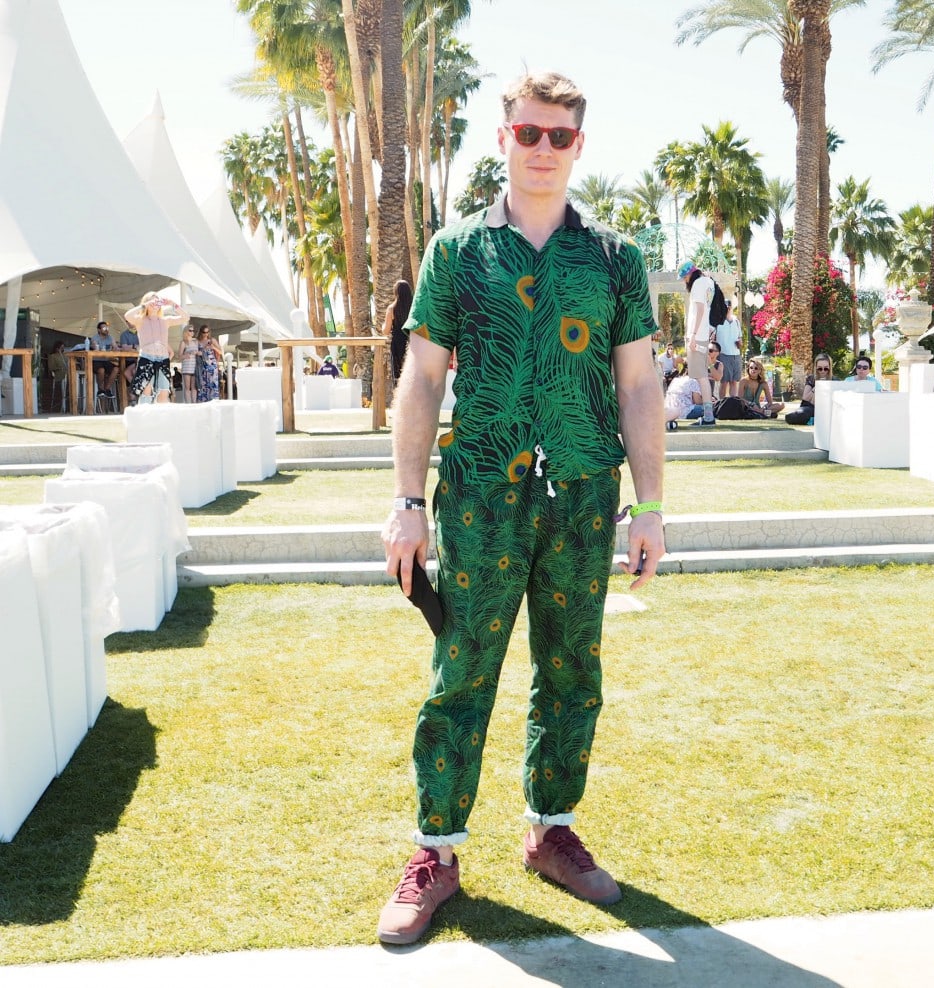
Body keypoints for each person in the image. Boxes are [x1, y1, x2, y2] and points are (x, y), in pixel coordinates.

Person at [378, 70, 665, 947]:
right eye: (528, 133)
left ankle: (551, 831)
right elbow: (422, 379)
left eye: (560, 136)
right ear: (502, 138)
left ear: (580, 145)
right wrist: (406, 501)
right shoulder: (457, 253)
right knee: (462, 672)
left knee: (573, 670)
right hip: (479, 497)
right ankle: (436, 853)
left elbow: (641, 384)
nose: (543, 149)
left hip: (583, 494)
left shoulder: (616, 260)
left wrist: (651, 503)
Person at [124, 292, 187, 404]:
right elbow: (127, 316)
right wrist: (145, 305)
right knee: (146, 390)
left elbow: (185, 317)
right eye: (153, 300)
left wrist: (172, 304)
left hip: (163, 358)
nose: (155, 303)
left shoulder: (165, 320)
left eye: (157, 300)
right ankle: (144, 418)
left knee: (164, 391)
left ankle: (161, 419)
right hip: (147, 358)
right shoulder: (140, 319)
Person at [677, 261, 715, 425]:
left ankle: (708, 416)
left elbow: (699, 310)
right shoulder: (709, 282)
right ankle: (708, 415)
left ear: (690, 274)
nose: (685, 280)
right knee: (701, 376)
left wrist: (692, 335)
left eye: (685, 277)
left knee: (701, 377)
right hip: (702, 333)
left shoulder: (698, 284)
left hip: (697, 334)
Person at [785, 352, 832, 425]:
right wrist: (817, 387)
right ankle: (815, 420)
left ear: (830, 367)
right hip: (810, 407)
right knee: (793, 416)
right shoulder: (811, 379)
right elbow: (805, 398)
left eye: (825, 369)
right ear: (816, 368)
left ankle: (815, 420)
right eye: (820, 369)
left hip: (827, 409)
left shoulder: (834, 380)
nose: (823, 371)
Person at [383, 279, 414, 383]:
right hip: (413, 344)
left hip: (397, 345)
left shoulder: (392, 309)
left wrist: (383, 325)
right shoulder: (414, 308)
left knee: (398, 377)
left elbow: (386, 331)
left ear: (396, 292)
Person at [713, 300, 742, 397]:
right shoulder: (717, 322)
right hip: (723, 355)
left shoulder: (736, 321)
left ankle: (733, 403)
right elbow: (713, 339)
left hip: (736, 355)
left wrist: (740, 342)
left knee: (734, 382)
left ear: (731, 308)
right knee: (724, 382)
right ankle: (721, 404)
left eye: (728, 307)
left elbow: (740, 337)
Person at [664, 358, 704, 428]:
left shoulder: (676, 380)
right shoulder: (692, 381)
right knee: (707, 409)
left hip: (670, 411)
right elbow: (698, 402)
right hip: (685, 411)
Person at [90, 321, 119, 398]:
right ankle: (100, 390)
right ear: (99, 330)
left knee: (116, 369)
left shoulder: (110, 337)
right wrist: (96, 347)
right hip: (96, 360)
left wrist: (116, 348)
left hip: (106, 360)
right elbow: (95, 346)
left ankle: (107, 389)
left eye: (107, 327)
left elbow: (115, 347)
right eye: (104, 328)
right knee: (101, 370)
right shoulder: (95, 338)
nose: (106, 329)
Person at [195, 324, 222, 402]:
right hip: (201, 365)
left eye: (207, 332)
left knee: (213, 383)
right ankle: (203, 401)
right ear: (201, 332)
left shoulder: (212, 340)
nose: (206, 334)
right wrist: (201, 350)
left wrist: (213, 347)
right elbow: (194, 351)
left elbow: (220, 352)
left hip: (212, 364)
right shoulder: (197, 341)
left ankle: (213, 400)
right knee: (203, 383)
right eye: (204, 332)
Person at [178, 325, 199, 403]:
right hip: (187, 367)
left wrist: (198, 353)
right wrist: (187, 355)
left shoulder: (195, 342)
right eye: (190, 330)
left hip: (194, 367)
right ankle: (188, 404)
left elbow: (199, 352)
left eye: (193, 330)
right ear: (186, 331)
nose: (192, 332)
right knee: (187, 387)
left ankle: (194, 403)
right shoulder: (183, 342)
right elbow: (179, 356)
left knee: (194, 387)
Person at [47, 341, 69, 412]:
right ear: (57, 348)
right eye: (61, 348)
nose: (62, 350)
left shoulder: (65, 356)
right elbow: (51, 367)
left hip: (67, 375)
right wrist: (60, 368)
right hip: (59, 375)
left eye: (63, 348)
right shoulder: (52, 356)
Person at [119, 321, 139, 389]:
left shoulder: (142, 333)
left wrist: (130, 347)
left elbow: (143, 347)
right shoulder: (124, 334)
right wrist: (134, 346)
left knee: (131, 372)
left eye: (132, 320)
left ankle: (137, 390)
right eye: (129, 321)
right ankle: (137, 389)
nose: (132, 322)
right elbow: (124, 348)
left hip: (140, 359)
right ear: (127, 323)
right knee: (128, 372)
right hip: (128, 360)